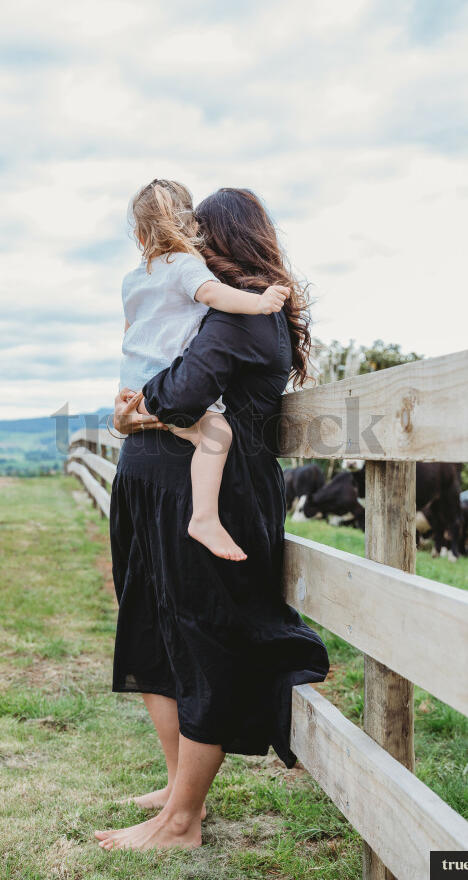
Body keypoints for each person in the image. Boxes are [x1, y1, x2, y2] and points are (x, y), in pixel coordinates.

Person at [95, 188, 329, 853]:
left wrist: (133, 411)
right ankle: (178, 789)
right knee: (152, 630)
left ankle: (181, 821)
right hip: (156, 477)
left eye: (203, 233)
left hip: (198, 488)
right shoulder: (206, 307)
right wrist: (138, 413)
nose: (193, 242)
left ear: (222, 238)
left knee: (200, 639)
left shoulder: (241, 316)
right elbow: (164, 386)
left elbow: (180, 394)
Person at [121, 178, 291, 561]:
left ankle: (204, 519)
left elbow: (131, 332)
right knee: (216, 432)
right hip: (171, 493)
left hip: (140, 456)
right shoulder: (198, 281)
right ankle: (205, 518)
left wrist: (132, 413)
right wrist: (261, 302)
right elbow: (181, 395)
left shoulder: (134, 280)